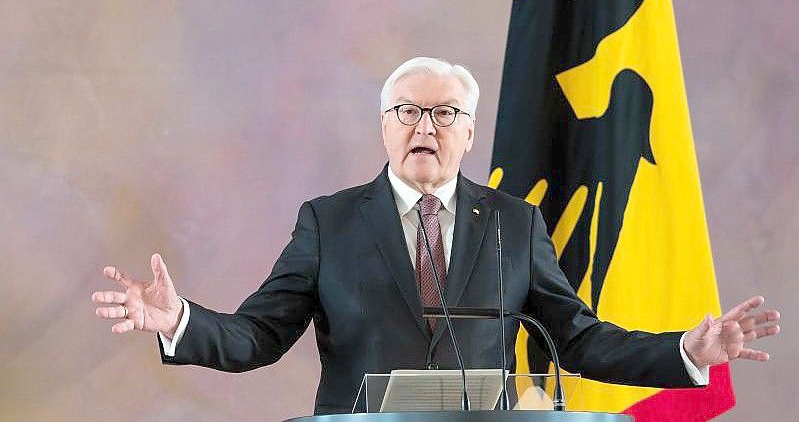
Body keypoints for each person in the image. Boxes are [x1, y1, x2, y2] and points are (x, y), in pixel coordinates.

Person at [92, 57, 781, 415]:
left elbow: (576, 337)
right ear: (384, 125)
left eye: (444, 112)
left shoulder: (516, 221)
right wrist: (177, 319)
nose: (425, 126)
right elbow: (257, 335)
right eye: (408, 111)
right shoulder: (326, 222)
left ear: (469, 130)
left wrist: (685, 350)